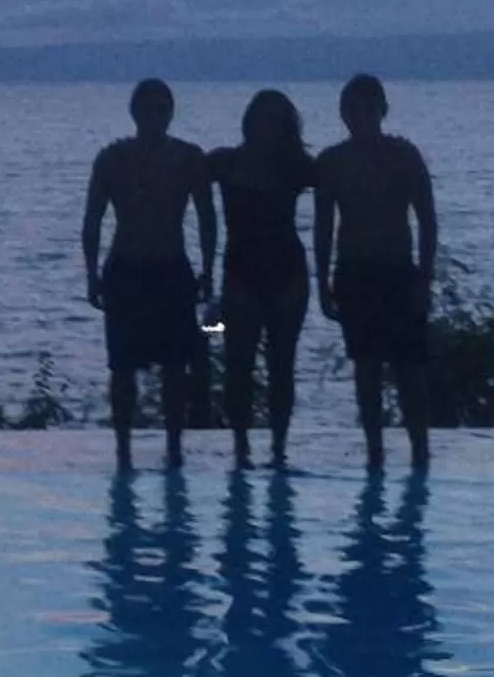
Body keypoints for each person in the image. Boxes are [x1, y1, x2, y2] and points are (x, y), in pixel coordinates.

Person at [83, 78, 215, 468]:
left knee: (176, 365)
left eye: (162, 109)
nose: (156, 116)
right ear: (135, 113)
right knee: (122, 366)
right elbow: (92, 219)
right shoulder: (112, 159)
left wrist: (207, 269)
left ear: (171, 113)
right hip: (126, 269)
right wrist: (92, 275)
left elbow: (207, 218)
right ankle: (123, 449)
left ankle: (174, 446)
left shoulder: (188, 158)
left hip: (171, 269)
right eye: (149, 109)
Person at [313, 72, 437, 468]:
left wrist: (424, 277)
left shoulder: (404, 156)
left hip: (398, 271)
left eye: (368, 108)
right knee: (366, 370)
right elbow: (323, 227)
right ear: (343, 114)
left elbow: (427, 219)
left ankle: (420, 450)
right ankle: (374, 453)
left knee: (409, 371)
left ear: (382, 111)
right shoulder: (332, 162)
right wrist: (323, 282)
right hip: (356, 273)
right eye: (353, 109)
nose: (360, 116)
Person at [205, 88, 312, 469]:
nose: (268, 127)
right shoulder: (226, 163)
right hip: (241, 273)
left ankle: (279, 447)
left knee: (282, 365)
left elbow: (342, 181)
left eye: (276, 120)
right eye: (262, 118)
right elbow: (177, 174)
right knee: (238, 365)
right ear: (249, 121)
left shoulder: (297, 168)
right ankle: (241, 448)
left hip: (287, 272)